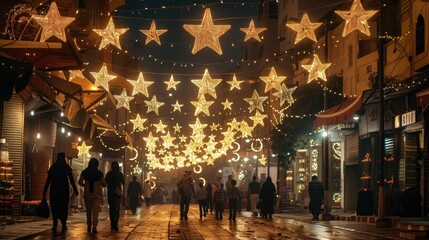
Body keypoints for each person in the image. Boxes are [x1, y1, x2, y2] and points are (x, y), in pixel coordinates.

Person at [42, 152, 78, 232]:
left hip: (54, 190)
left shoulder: (53, 167)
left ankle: (55, 224)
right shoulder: (66, 167)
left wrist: (44, 191)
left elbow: (48, 180)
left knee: (55, 207)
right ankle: (64, 224)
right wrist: (75, 190)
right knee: (64, 207)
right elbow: (72, 180)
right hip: (64, 190)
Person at [78, 158, 106, 233]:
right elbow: (104, 184)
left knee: (89, 211)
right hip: (97, 194)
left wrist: (85, 185)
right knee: (95, 211)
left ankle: (89, 226)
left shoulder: (84, 172)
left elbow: (80, 182)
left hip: (87, 194)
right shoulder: (99, 174)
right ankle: (94, 226)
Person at [105, 161, 125, 231]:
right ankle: (115, 223)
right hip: (117, 193)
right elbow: (123, 182)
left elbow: (105, 182)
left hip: (110, 193)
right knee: (117, 209)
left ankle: (112, 223)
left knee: (111, 208)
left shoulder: (108, 174)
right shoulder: (120, 174)